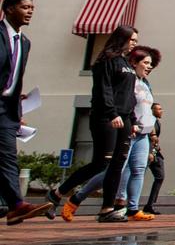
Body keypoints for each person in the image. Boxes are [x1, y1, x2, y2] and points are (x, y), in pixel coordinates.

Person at [50, 25, 140, 222]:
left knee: (117, 165)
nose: (135, 43)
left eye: (136, 39)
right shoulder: (107, 61)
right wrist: (112, 113)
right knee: (101, 162)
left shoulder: (127, 63)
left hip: (124, 118)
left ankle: (107, 209)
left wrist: (132, 120)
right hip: (106, 117)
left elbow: (129, 95)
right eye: (132, 39)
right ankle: (58, 193)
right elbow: (104, 89)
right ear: (121, 38)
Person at [1, 0, 53, 226]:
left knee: (7, 157)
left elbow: (14, 76)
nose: (30, 11)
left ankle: (16, 206)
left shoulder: (24, 42)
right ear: (9, 9)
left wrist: (17, 105)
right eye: (25, 7)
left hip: (7, 108)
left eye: (32, 7)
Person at [117, 46, 161, 220]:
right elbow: (125, 104)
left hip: (145, 133)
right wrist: (131, 123)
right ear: (134, 62)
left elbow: (147, 110)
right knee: (120, 168)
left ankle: (133, 208)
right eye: (146, 63)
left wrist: (152, 134)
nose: (149, 67)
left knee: (139, 169)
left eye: (151, 64)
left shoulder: (146, 83)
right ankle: (79, 197)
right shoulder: (129, 81)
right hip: (131, 130)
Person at [142, 102, 165, 215]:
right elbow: (146, 137)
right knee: (139, 175)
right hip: (148, 153)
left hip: (155, 153)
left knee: (160, 176)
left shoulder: (157, 122)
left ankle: (150, 204)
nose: (161, 111)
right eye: (159, 109)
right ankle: (132, 204)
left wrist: (157, 149)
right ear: (152, 110)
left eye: (161, 109)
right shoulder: (149, 122)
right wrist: (150, 152)